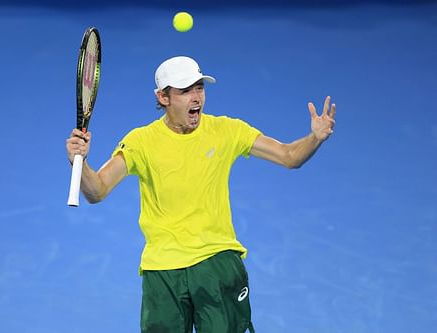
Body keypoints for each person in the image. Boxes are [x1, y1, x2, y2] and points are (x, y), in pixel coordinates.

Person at [66, 56, 336, 333]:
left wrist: (314, 137)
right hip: (163, 270)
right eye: (185, 91)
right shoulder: (140, 142)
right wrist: (81, 162)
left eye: (199, 88)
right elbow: (97, 190)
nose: (196, 98)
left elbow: (289, 156)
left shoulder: (227, 130)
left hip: (216, 261)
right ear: (163, 97)